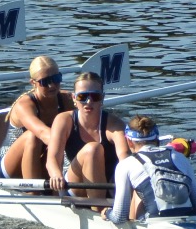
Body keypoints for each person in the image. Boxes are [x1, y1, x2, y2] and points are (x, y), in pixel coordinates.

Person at [43, 70, 134, 202]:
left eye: (95, 97)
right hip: (75, 186)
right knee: (92, 149)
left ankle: (103, 206)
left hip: (108, 187)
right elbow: (52, 159)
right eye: (82, 97)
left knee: (94, 149)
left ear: (102, 98)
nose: (89, 101)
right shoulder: (63, 120)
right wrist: (56, 175)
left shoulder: (115, 124)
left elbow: (124, 157)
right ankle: (99, 209)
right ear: (74, 98)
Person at [110, 115, 196, 223]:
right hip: (188, 220)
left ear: (129, 141)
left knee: (140, 196)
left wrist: (106, 213)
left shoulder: (126, 164)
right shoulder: (179, 157)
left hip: (154, 224)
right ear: (157, 138)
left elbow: (120, 217)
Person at [0, 55, 68, 179]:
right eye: (45, 82)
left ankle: (54, 192)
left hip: (44, 158)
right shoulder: (24, 105)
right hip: (5, 171)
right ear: (33, 83)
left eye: (56, 78)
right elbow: (43, 133)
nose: (52, 85)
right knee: (33, 136)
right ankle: (33, 194)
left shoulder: (67, 99)